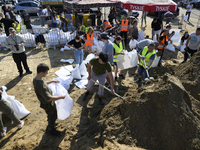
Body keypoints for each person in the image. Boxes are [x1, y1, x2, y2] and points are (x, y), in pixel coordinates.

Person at [33, 63, 66, 136]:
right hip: (47, 104)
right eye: (46, 72)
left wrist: (52, 81)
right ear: (42, 73)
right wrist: (61, 97)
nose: (47, 73)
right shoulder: (40, 85)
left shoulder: (37, 79)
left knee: (52, 114)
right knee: (52, 115)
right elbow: (49, 98)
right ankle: (51, 129)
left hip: (47, 102)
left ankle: (52, 122)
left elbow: (44, 82)